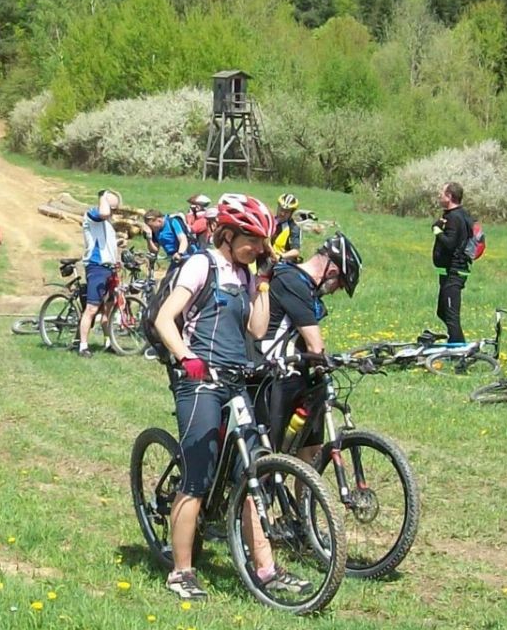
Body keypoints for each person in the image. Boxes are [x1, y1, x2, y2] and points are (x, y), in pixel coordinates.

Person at [149, 192, 297, 603]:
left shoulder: (246, 275)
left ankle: (266, 570)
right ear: (227, 235)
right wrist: (186, 357)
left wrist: (263, 283)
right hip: (199, 381)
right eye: (251, 241)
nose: (258, 249)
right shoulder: (202, 264)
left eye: (262, 242)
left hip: (234, 381)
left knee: (251, 474)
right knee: (197, 477)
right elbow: (165, 318)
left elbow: (257, 329)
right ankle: (181, 572)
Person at [258, 234, 362, 451]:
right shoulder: (291, 281)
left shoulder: (305, 286)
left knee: (312, 450)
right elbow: (315, 346)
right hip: (273, 376)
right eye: (340, 285)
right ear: (331, 272)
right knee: (270, 453)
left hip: (298, 373)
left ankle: (308, 474)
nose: (335, 291)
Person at [76, 188, 121, 357]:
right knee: (92, 308)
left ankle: (108, 342)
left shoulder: (107, 223)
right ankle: (83, 346)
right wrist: (103, 196)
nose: (113, 212)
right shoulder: (93, 214)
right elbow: (103, 212)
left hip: (109, 268)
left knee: (108, 308)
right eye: (112, 208)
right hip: (97, 267)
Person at [431, 182, 475, 346]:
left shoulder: (455, 217)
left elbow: (450, 244)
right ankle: (458, 346)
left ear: (449, 196)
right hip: (448, 272)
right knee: (442, 311)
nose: (439, 196)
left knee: (451, 316)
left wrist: (437, 230)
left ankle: (459, 351)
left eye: (442, 193)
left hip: (454, 272)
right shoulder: (458, 215)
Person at [272, 193, 305, 264]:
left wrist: (280, 257)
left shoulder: (294, 227)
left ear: (291, 213)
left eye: (286, 212)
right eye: (281, 209)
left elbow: (296, 251)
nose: (282, 213)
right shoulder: (271, 221)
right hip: (268, 258)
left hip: (282, 262)